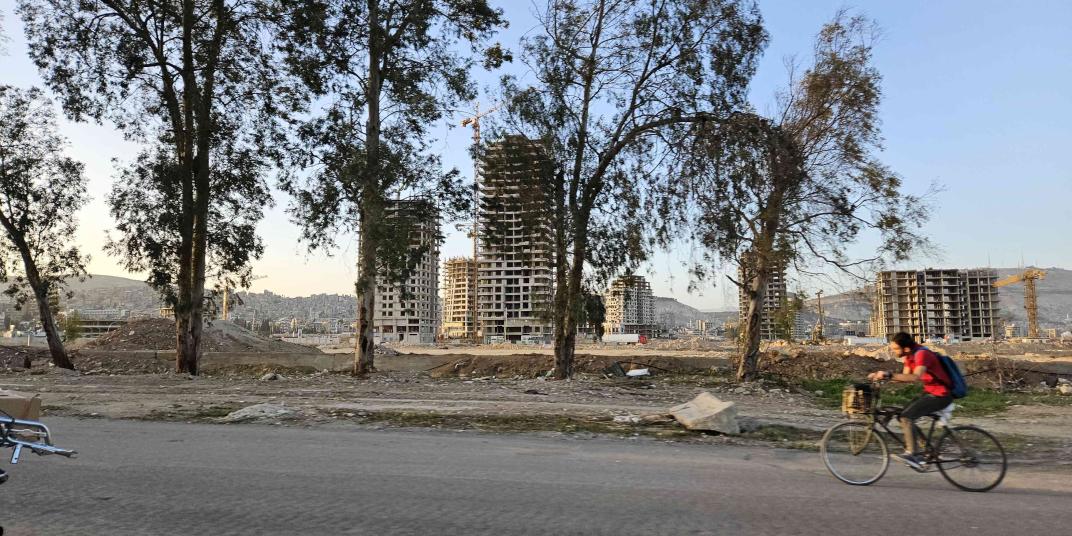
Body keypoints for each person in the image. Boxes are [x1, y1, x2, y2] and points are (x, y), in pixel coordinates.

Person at [867, 331, 953, 470]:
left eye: (896, 349)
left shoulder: (921, 355)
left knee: (907, 417)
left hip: (941, 395)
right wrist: (881, 376)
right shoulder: (909, 356)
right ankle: (926, 451)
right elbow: (905, 377)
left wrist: (889, 375)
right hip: (932, 392)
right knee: (903, 416)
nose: (893, 351)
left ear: (906, 348)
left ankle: (913, 454)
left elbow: (915, 377)